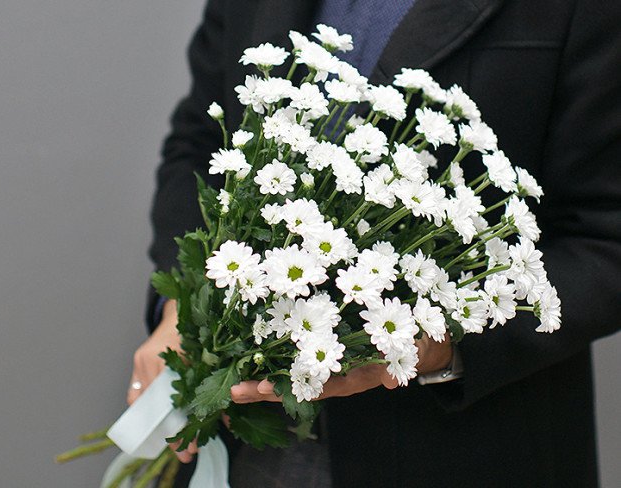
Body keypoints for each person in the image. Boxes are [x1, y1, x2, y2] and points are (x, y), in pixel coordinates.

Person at [129, 1, 621, 486]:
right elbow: (200, 141)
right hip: (249, 447)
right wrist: (189, 304)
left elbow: (606, 238)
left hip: (460, 448)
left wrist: (443, 340)